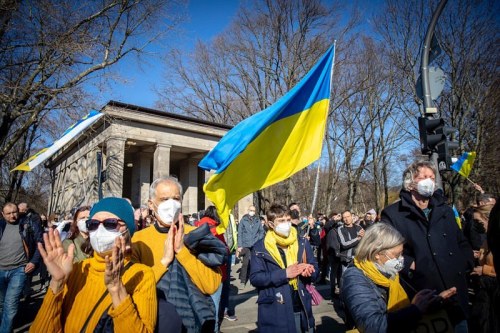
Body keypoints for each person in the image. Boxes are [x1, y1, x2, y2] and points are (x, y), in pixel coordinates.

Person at [31, 197, 157, 332]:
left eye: (110, 223)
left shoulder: (142, 275)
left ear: (128, 229)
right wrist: (57, 282)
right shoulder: (78, 269)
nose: (100, 229)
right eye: (93, 224)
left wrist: (117, 292)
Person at [381, 160, 474, 331]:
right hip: (424, 294)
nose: (430, 181)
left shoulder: (444, 209)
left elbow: (461, 242)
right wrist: (413, 266)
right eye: (424, 177)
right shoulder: (393, 214)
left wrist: (465, 263)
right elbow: (384, 251)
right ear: (410, 184)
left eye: (432, 177)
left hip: (456, 292)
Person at [131, 177, 222, 332]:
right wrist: (164, 262)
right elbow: (134, 288)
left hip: (193, 322)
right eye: (164, 199)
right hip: (156, 320)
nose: (171, 204)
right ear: (151, 204)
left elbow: (211, 285)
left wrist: (182, 252)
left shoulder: (196, 234)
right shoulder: (139, 240)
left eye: (176, 198)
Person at [341, 223, 457, 332]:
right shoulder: (354, 278)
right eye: (396, 255)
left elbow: (408, 306)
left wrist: (431, 302)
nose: (401, 259)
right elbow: (372, 326)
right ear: (376, 253)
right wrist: (415, 310)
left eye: (401, 254)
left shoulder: (389, 271)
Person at [250, 204, 318, 333]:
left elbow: (315, 269)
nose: (286, 224)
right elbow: (255, 278)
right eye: (281, 221)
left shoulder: (302, 242)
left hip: (300, 304)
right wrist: (284, 273)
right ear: (271, 224)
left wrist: (310, 271)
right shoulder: (260, 248)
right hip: (275, 309)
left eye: (288, 220)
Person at [0, 202, 43, 332]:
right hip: (1, 270)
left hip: (19, 270)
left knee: (11, 305)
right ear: (2, 214)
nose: (12, 216)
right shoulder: (1, 226)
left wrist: (34, 262)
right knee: (2, 304)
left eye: (14, 212)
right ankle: (7, 325)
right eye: (8, 213)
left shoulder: (27, 223)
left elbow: (40, 242)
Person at [237, 205, 264, 287]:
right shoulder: (243, 220)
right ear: (248, 210)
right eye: (251, 210)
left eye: (254, 210)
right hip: (246, 245)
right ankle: (242, 281)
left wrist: (258, 239)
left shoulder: (257, 220)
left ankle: (253, 280)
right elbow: (240, 233)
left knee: (254, 263)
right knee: (245, 263)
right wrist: (239, 245)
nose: (252, 212)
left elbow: (261, 231)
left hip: (255, 245)